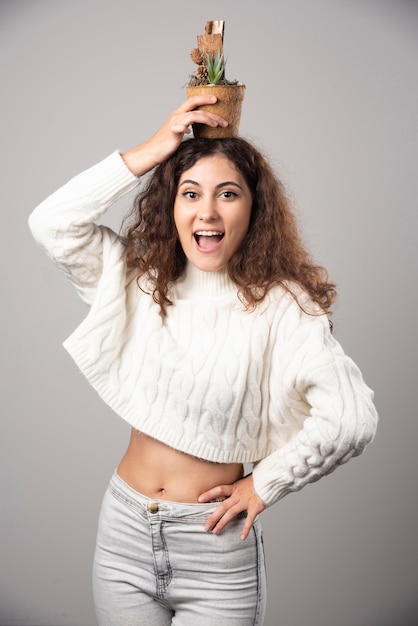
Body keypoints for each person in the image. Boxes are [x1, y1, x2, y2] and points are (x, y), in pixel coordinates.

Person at [28, 96, 378, 626]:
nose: (207, 211)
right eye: (190, 193)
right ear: (171, 205)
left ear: (254, 209)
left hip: (214, 550)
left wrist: (266, 482)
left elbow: (352, 418)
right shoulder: (141, 278)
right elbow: (51, 223)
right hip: (123, 532)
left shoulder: (282, 306)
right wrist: (156, 147)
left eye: (228, 194)